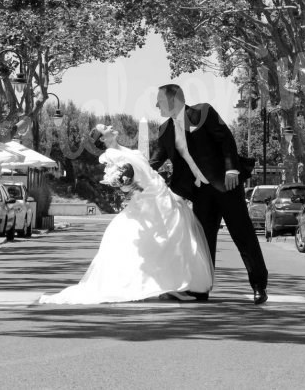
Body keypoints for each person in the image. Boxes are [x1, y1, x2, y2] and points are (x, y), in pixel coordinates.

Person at [39, 124, 214, 305]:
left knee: (175, 236)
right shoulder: (111, 156)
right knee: (163, 238)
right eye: (105, 127)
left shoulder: (127, 151)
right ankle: (159, 284)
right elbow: (121, 184)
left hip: (160, 193)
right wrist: (127, 184)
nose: (111, 126)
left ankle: (173, 284)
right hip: (149, 200)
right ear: (102, 139)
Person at [151, 84, 269, 305]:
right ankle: (200, 289)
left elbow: (226, 139)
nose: (156, 104)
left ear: (173, 100)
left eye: (159, 100)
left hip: (226, 185)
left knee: (242, 235)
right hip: (200, 192)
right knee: (203, 242)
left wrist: (232, 168)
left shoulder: (202, 112)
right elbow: (154, 161)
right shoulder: (165, 130)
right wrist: (129, 172)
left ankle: (259, 286)